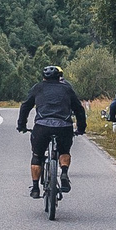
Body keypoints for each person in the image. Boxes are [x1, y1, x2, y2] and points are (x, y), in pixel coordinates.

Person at [17, 64, 83, 198]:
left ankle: (35, 188)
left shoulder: (38, 88)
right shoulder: (67, 89)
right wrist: (81, 128)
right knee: (64, 151)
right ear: (59, 77)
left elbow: (25, 106)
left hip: (42, 127)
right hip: (64, 126)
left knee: (37, 156)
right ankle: (64, 172)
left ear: (43, 77)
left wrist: (21, 125)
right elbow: (79, 109)